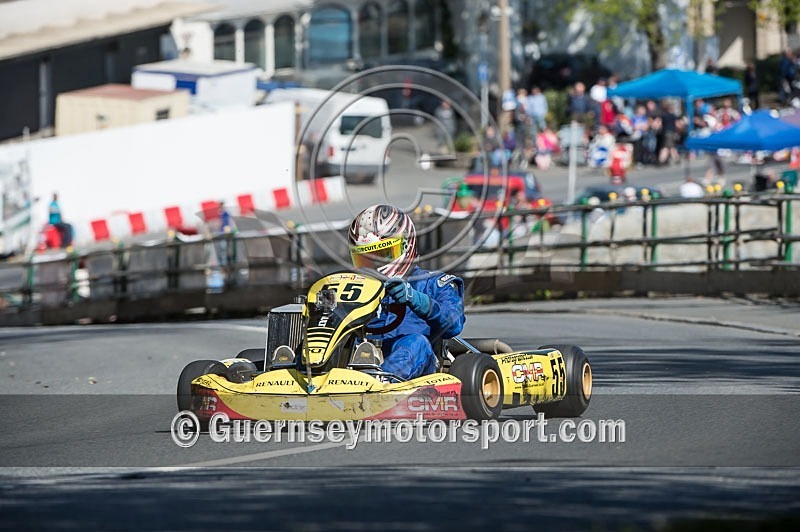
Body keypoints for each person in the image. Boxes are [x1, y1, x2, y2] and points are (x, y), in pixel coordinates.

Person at [348, 204, 465, 381]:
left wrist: (415, 299)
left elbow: (454, 324)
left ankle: (381, 383)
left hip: (421, 365)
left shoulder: (432, 283)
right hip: (363, 358)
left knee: (415, 342)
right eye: (365, 259)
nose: (375, 265)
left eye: (383, 254)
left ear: (405, 246)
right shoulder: (357, 288)